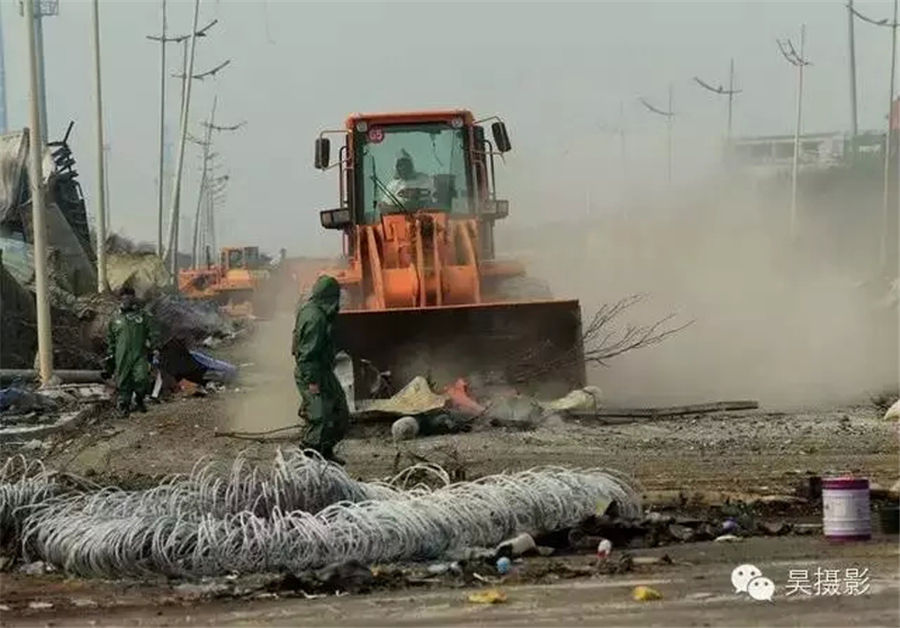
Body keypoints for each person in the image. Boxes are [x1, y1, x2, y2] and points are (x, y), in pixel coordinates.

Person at [292, 275, 350, 465]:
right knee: (320, 415)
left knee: (339, 409)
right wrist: (312, 383)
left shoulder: (313, 310)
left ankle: (325, 452)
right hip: (312, 373)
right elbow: (307, 355)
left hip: (322, 370)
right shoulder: (315, 318)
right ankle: (307, 458)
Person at [104, 286, 157, 416]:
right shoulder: (115, 319)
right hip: (121, 355)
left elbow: (153, 332)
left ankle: (139, 398)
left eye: (129, 296)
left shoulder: (143, 316)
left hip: (139, 354)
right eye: (124, 297)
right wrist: (110, 353)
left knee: (142, 378)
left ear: (134, 298)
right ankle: (124, 407)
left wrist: (153, 347)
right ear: (120, 299)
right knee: (123, 381)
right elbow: (111, 338)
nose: (127, 299)